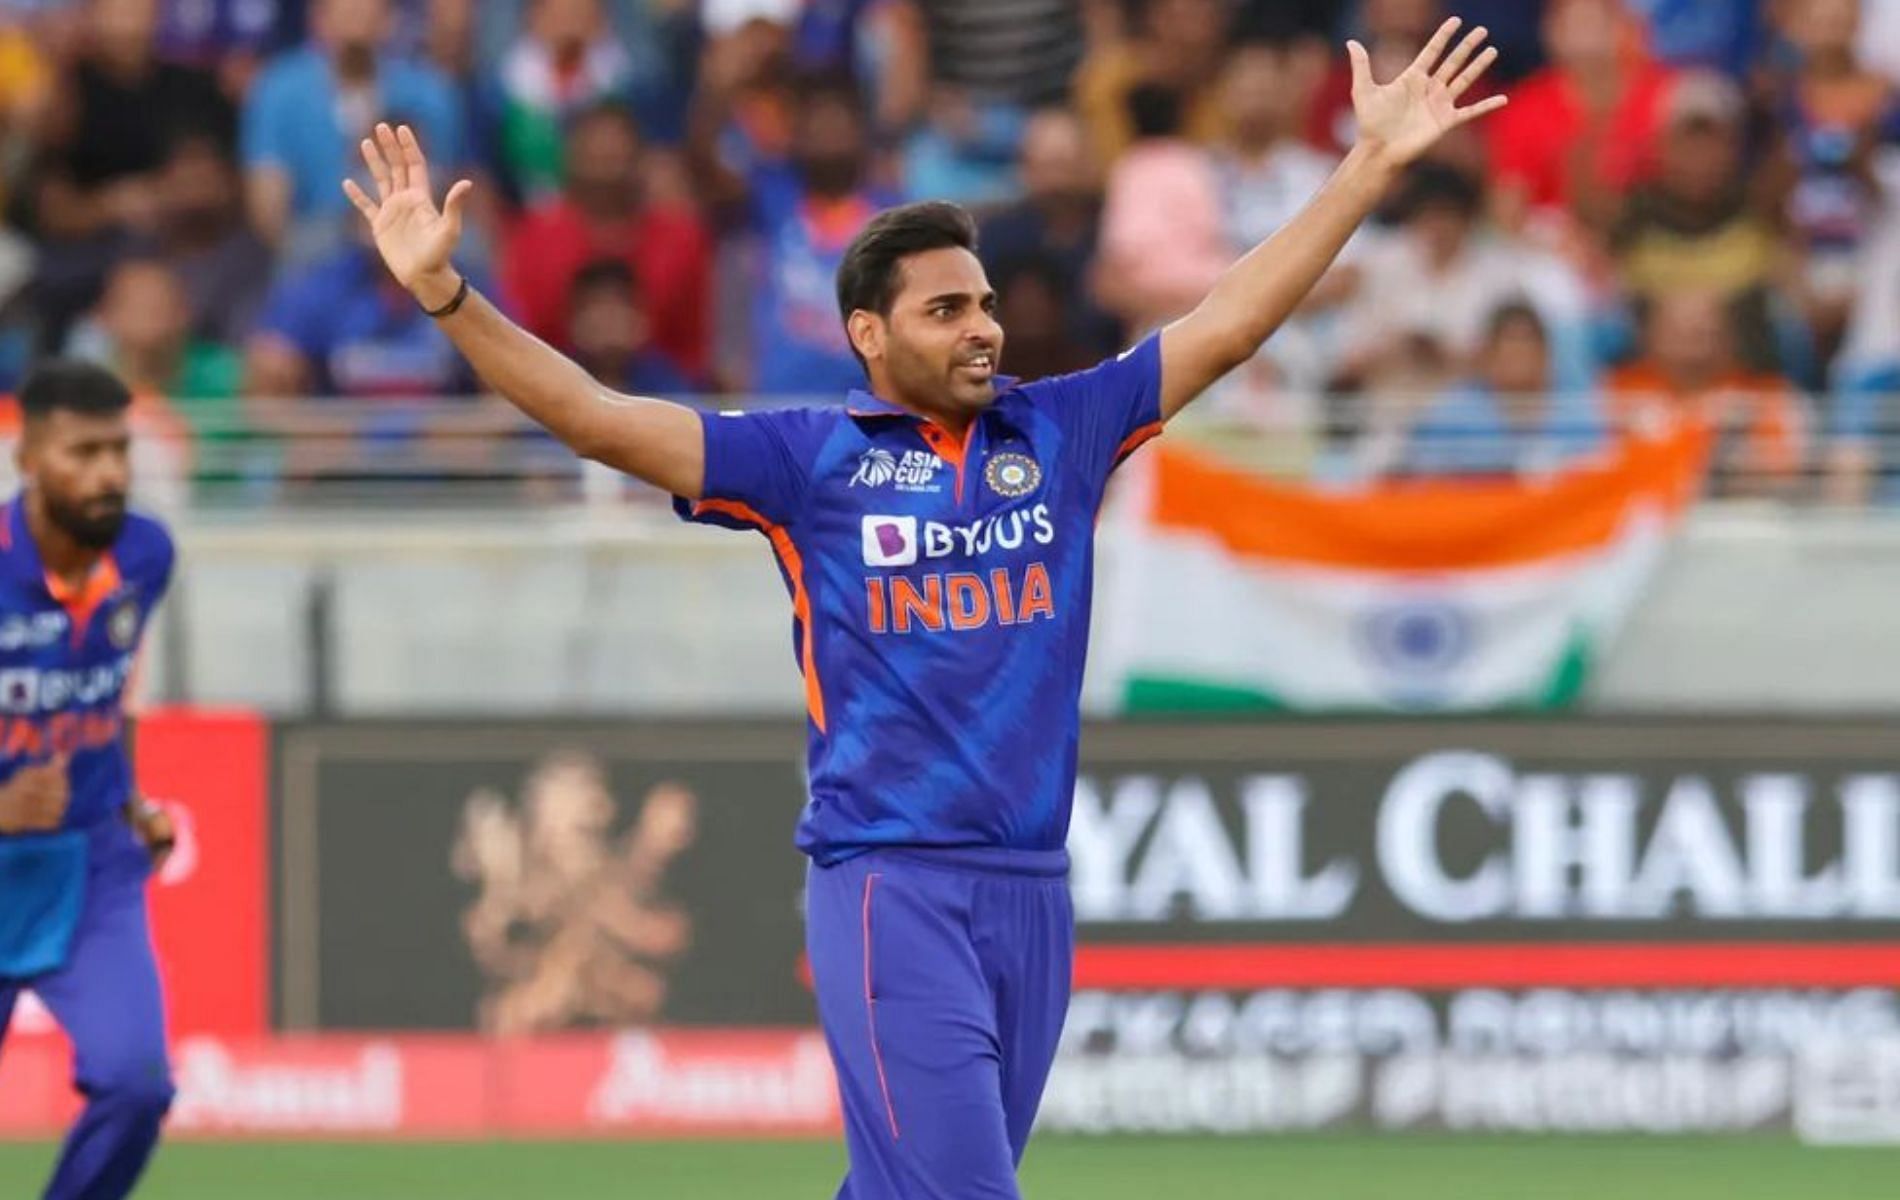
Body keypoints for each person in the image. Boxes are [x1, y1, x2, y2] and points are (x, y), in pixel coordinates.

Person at [341, 16, 1504, 1195]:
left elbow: (1230, 321)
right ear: (867, 334)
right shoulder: (806, 461)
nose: (984, 325)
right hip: (888, 885)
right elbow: (597, 416)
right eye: (945, 308)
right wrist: (447, 295)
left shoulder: (1061, 430)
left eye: (984, 301)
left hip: (1030, 893)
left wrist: (1366, 166)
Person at [0, 359, 179, 1200]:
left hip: (89, 865)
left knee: (137, 1085)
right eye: (83, 453)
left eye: (118, 450)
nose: (107, 473)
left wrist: (133, 798)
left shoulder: (145, 554)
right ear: (30, 456)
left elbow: (113, 688)